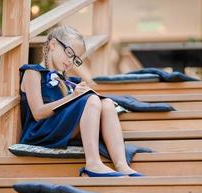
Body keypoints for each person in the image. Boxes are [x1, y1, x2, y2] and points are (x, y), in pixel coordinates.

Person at [19, 25, 143, 177]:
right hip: (40, 132)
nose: (71, 61)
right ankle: (93, 163)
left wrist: (77, 93)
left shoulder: (66, 81)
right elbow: (38, 113)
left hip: (60, 127)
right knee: (91, 100)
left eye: (75, 59)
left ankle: (122, 165)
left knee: (107, 103)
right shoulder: (33, 73)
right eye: (69, 53)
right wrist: (73, 97)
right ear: (52, 45)